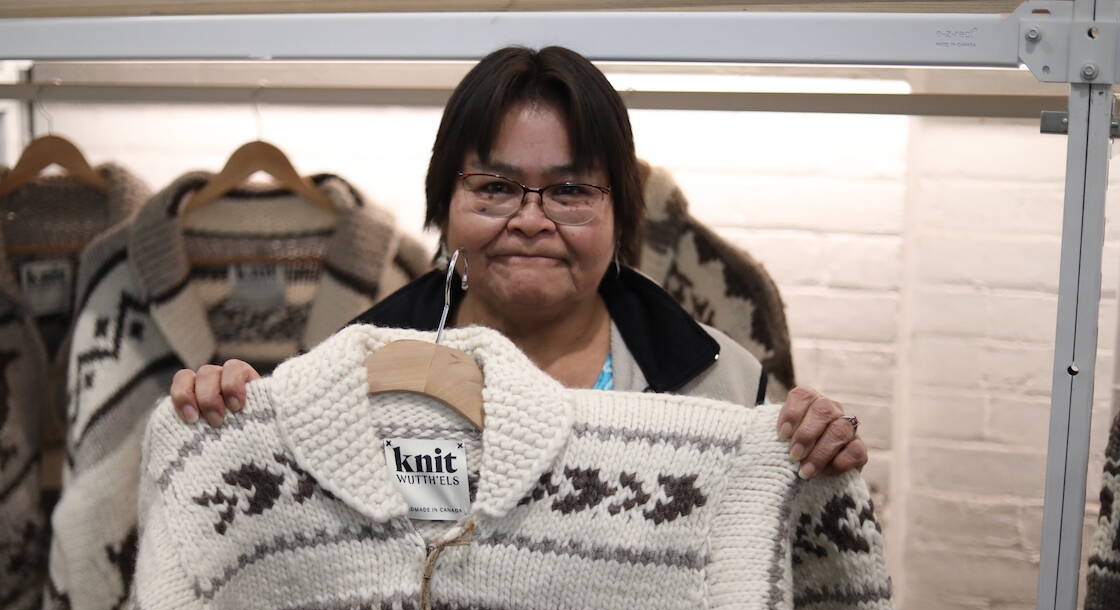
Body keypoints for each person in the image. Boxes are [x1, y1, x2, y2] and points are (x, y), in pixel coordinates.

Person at [168, 46, 867, 482]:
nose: (531, 220)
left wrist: (816, 454)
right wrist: (227, 418)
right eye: (496, 188)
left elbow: (788, 582)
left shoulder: (720, 387)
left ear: (620, 212)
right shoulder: (352, 374)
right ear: (446, 207)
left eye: (570, 191)